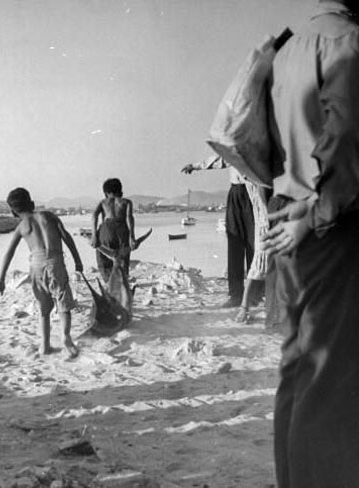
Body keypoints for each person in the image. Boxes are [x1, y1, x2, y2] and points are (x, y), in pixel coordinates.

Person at [260, 1, 359, 486]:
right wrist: (316, 215)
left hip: (288, 216)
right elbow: (345, 142)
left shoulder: (287, 49)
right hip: (327, 227)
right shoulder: (348, 42)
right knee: (329, 376)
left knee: (296, 366)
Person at [0, 188, 83, 358]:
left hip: (35, 266)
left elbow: (9, 253)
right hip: (55, 262)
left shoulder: (21, 227)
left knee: (44, 308)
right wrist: (78, 260)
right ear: (32, 203)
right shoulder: (48, 216)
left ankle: (44, 344)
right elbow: (66, 236)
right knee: (63, 303)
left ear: (13, 211)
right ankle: (65, 338)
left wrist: (1, 279)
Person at [182, 157, 257, 307]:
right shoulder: (234, 145)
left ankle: (255, 295)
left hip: (254, 191)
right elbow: (220, 159)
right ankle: (236, 295)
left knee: (253, 245)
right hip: (236, 192)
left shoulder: (258, 144)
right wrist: (195, 165)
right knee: (234, 245)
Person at [235, 183, 271, 323]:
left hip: (269, 219)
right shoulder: (255, 177)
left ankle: (252, 305)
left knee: (265, 265)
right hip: (266, 222)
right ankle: (244, 307)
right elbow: (263, 203)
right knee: (259, 265)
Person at [91, 178, 136, 283]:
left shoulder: (103, 202)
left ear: (106, 192)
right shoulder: (127, 202)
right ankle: (121, 280)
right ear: (120, 190)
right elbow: (129, 218)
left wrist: (94, 235)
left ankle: (109, 281)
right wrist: (132, 237)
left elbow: (94, 216)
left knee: (104, 259)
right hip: (122, 230)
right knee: (123, 259)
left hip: (106, 230)